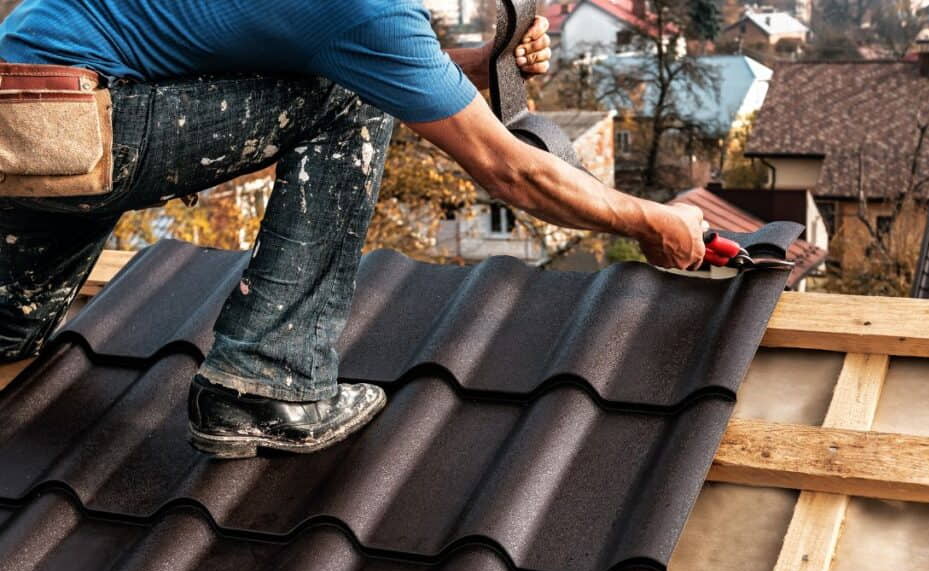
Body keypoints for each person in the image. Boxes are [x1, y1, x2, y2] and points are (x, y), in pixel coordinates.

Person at [0, 0, 706, 459]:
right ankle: (267, 379)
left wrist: (470, 71)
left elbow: (264, 39)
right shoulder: (364, 10)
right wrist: (655, 220)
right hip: (83, 127)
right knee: (349, 98)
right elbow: (508, 171)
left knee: (9, 339)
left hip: (25, 119)